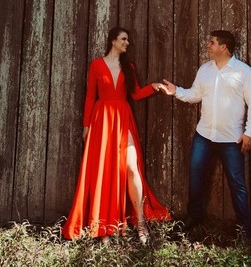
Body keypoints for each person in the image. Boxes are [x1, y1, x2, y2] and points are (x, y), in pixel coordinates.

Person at [63, 27, 171, 241]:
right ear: (113, 41)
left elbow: (136, 94)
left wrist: (153, 86)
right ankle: (104, 226)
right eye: (123, 39)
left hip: (123, 119)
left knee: (132, 168)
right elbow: (90, 97)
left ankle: (141, 223)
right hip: (101, 120)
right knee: (105, 171)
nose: (127, 43)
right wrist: (86, 126)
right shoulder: (96, 65)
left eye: (128, 40)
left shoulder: (128, 67)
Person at [159, 29, 251, 240]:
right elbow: (195, 95)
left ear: (223, 47)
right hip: (203, 136)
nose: (208, 45)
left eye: (212, 42)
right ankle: (193, 217)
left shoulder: (244, 72)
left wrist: (250, 133)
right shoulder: (205, 69)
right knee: (195, 177)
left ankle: (243, 228)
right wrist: (176, 91)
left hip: (231, 139)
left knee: (237, 184)